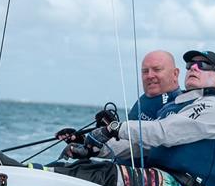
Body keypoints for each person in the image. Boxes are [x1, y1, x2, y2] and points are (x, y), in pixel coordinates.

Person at [49, 50, 215, 186]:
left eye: (203, 65)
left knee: (105, 174)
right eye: (190, 65)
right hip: (161, 181)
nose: (193, 68)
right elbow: (138, 147)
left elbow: (162, 132)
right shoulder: (180, 107)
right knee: (89, 167)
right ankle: (38, 174)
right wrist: (89, 146)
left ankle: (46, 181)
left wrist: (114, 128)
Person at [54, 50, 182, 143]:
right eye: (145, 71)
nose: (149, 75)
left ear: (175, 74)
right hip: (119, 167)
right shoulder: (145, 99)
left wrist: (115, 129)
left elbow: (150, 144)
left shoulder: (178, 104)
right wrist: (85, 140)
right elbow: (126, 145)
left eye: (157, 69)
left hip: (143, 175)